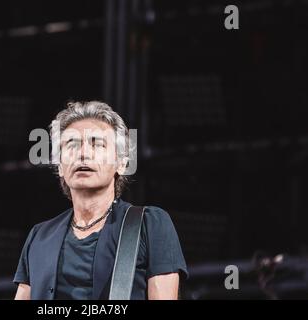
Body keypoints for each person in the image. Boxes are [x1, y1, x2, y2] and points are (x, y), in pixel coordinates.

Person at [14, 101, 188, 300]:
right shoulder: (39, 236)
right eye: (72, 145)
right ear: (60, 167)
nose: (83, 154)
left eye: (97, 144)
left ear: (121, 164)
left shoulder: (150, 223)